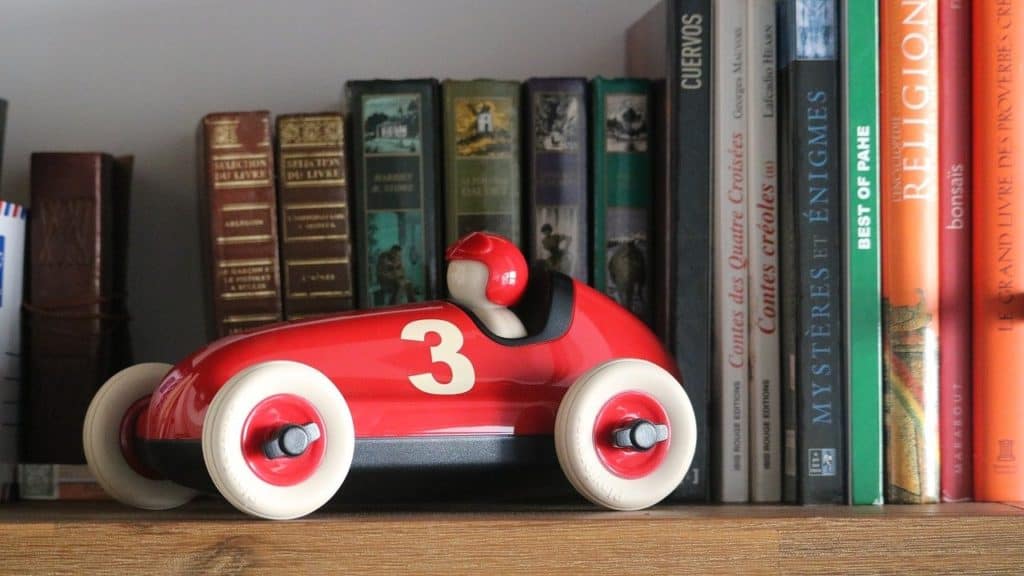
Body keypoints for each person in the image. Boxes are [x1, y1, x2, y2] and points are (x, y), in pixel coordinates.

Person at [445, 231, 528, 339]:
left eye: (466, 271)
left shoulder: (490, 321)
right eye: (453, 270)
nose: (455, 277)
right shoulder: (469, 313)